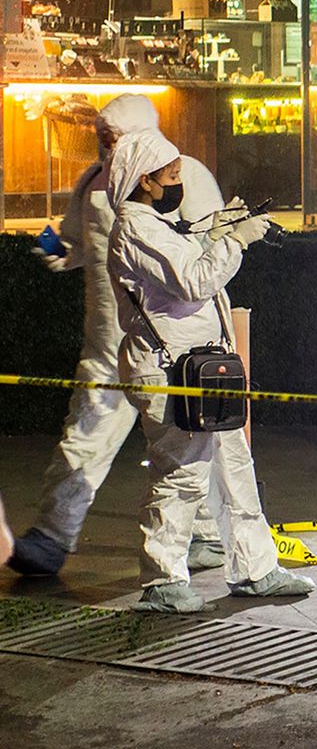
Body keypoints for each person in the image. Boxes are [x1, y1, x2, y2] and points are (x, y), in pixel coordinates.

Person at [6, 93, 229, 578]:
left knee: (192, 446)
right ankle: (51, 537)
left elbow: (208, 257)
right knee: (87, 438)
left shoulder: (183, 177)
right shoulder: (91, 183)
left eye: (113, 138)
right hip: (109, 348)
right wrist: (45, 242)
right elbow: (72, 247)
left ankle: (205, 536)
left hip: (173, 347)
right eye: (102, 138)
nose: (106, 148)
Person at [108, 127, 314, 612]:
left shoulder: (155, 226)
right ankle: (162, 580)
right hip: (169, 371)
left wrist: (219, 231)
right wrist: (235, 241)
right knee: (181, 470)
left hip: (198, 368)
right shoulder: (136, 228)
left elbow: (192, 264)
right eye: (172, 175)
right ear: (145, 181)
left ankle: (255, 568)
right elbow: (195, 281)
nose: (179, 182)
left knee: (233, 467)